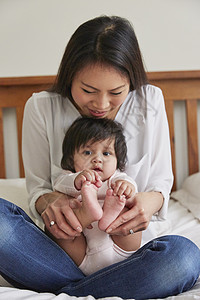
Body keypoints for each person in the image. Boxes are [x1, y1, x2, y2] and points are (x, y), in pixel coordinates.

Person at [0, 15, 200, 300]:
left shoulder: (149, 102)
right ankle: (108, 287)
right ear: (70, 76)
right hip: (63, 253)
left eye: (116, 92)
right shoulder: (41, 107)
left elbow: (160, 182)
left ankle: (69, 292)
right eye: (88, 91)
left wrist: (147, 202)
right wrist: (50, 201)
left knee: (185, 258)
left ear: (130, 81)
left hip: (131, 256)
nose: (102, 104)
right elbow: (37, 189)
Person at [50, 117, 141, 275]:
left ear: (117, 160)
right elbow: (59, 184)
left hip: (120, 247)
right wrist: (78, 180)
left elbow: (130, 184)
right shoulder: (70, 177)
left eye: (106, 153)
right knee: (59, 225)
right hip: (81, 254)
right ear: (71, 158)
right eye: (87, 152)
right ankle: (86, 213)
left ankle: (109, 216)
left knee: (129, 209)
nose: (97, 159)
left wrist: (128, 188)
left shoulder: (116, 179)